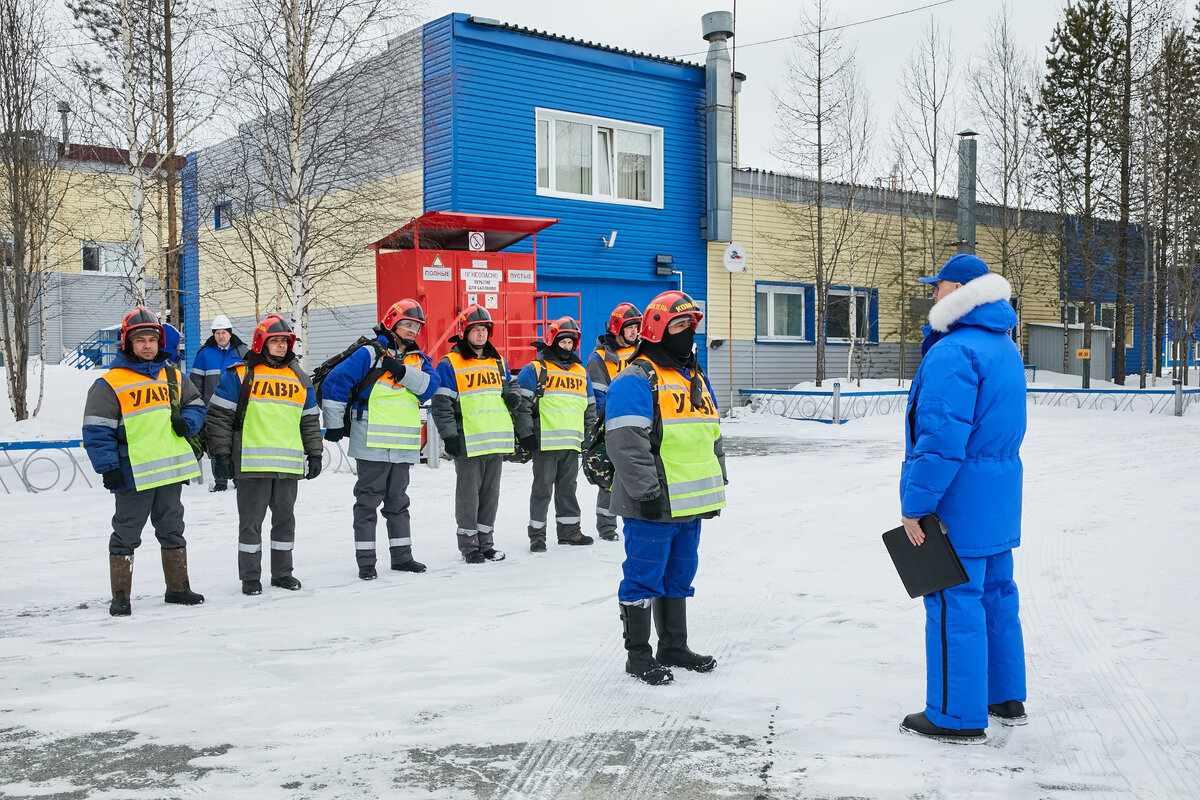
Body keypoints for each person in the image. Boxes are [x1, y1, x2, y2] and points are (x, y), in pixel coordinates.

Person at [898, 253, 1028, 743]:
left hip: (958, 501)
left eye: (939, 286)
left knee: (954, 601)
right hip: (997, 497)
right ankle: (1003, 695)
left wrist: (917, 503)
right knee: (996, 596)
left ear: (960, 292)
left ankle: (956, 715)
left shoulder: (954, 352)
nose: (932, 294)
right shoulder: (1002, 346)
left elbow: (940, 440)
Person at [606, 291, 725, 685]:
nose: (688, 333)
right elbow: (625, 443)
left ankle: (674, 645)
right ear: (656, 329)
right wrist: (647, 492)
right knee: (643, 576)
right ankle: (638, 656)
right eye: (679, 325)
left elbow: (710, 434)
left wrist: (717, 482)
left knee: (679, 576)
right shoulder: (636, 377)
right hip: (652, 503)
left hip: (689, 502)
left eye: (692, 326)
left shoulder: (694, 375)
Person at [82, 307, 207, 617]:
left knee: (173, 529)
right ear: (128, 344)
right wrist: (108, 468)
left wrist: (188, 423)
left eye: (153, 339)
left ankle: (178, 588)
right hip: (131, 474)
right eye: (141, 341)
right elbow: (96, 430)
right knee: (125, 534)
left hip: (169, 472)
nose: (148, 346)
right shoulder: (109, 383)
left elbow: (196, 405)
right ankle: (121, 597)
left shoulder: (173, 375)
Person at [320, 300, 440, 580]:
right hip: (371, 441)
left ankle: (402, 557)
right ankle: (366, 562)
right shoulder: (369, 353)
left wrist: (401, 372)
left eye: (416, 326)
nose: (412, 330)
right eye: (407, 324)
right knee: (367, 503)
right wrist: (335, 424)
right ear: (392, 324)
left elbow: (430, 387)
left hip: (402, 446)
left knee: (398, 502)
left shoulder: (418, 360)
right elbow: (335, 382)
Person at [206, 315, 324, 595]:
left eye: (285, 341)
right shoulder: (240, 374)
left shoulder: (300, 378)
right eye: (276, 341)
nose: (282, 346)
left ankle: (283, 573)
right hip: (251, 465)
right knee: (251, 525)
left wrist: (315, 453)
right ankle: (250, 578)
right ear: (262, 343)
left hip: (288, 466)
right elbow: (219, 418)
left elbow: (309, 420)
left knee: (285, 522)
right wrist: (220, 454)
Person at [431, 304, 516, 564]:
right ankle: (469, 547)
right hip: (468, 441)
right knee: (469, 497)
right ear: (464, 332)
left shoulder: (498, 362)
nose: (480, 334)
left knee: (491, 495)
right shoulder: (449, 363)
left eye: (484, 330)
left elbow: (507, 390)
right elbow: (441, 404)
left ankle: (486, 543)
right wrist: (449, 436)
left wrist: (513, 397)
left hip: (494, 440)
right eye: (475, 329)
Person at [514, 317, 597, 552]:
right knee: (542, 490)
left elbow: (589, 409)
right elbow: (522, 407)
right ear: (552, 341)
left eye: (571, 342)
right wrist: (526, 434)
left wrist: (589, 437)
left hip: (571, 444)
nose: (567, 346)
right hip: (544, 443)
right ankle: (537, 536)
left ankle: (570, 532)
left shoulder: (582, 372)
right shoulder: (535, 370)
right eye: (563, 341)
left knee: (568, 489)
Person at [586, 302, 641, 541]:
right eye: (630, 327)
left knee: (637, 471)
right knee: (609, 476)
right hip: (612, 424)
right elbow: (598, 397)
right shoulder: (598, 359)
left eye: (637, 327)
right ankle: (606, 526)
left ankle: (637, 517)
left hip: (640, 421)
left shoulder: (642, 351)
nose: (635, 332)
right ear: (618, 327)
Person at [189, 315, 248, 492]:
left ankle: (239, 480)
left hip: (239, 409)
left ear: (230, 333)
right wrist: (199, 408)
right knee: (216, 444)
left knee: (238, 445)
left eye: (224, 332)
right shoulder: (204, 354)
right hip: (212, 410)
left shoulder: (243, 352)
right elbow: (195, 385)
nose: (221, 336)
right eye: (217, 333)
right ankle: (220, 482)